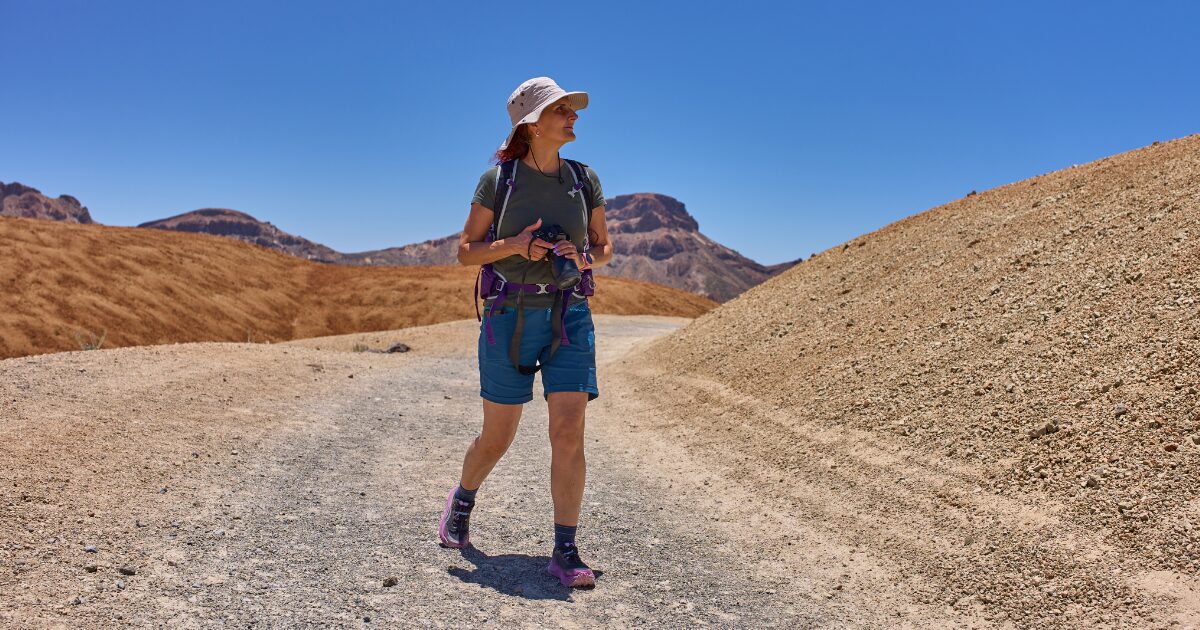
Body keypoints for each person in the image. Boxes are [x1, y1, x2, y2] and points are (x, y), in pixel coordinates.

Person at [439, 77, 612, 589]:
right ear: (531, 125)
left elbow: (604, 250)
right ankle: (464, 497)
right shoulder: (499, 181)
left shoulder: (585, 179)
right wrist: (513, 245)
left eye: (571, 109)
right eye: (561, 110)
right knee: (498, 437)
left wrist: (579, 258)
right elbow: (467, 251)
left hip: (570, 313)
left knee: (568, 430)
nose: (572, 116)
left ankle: (565, 549)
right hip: (509, 315)